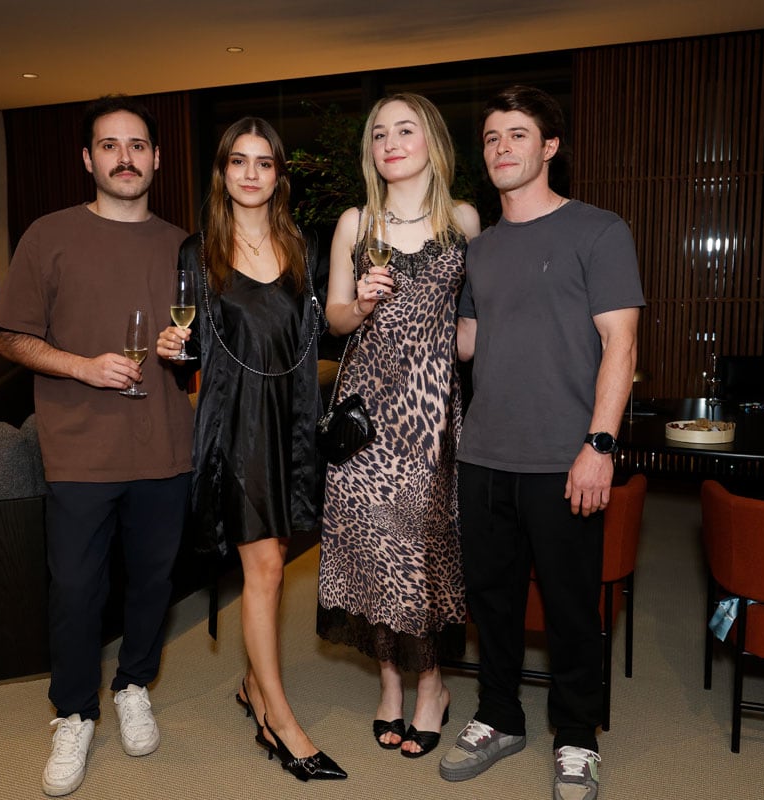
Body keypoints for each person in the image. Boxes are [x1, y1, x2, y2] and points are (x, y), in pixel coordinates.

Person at [439, 84, 643, 799]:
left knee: (568, 603)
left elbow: (621, 342)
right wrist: (407, 296)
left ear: (549, 146)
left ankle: (578, 735)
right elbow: (465, 343)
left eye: (517, 136)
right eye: (492, 138)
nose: (502, 149)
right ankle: (499, 715)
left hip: (565, 456)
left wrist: (600, 443)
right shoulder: (481, 250)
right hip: (483, 453)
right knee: (490, 600)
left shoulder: (599, 231)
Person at [0, 94, 193, 798]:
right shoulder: (48, 235)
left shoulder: (182, 244)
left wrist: (184, 349)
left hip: (166, 443)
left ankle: (134, 683)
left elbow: (204, 348)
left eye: (137, 146)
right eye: (110, 146)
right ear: (88, 159)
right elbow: (12, 335)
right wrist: (82, 366)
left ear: (157, 158)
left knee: (154, 582)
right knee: (77, 591)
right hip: (79, 448)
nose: (125, 158)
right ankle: (73, 713)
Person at [155, 117, 346, 781]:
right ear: (223, 172)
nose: (251, 174)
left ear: (278, 175)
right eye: (239, 161)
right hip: (235, 425)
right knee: (264, 567)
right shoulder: (196, 251)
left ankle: (248, 682)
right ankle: (278, 720)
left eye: (264, 163)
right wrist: (175, 351)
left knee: (278, 556)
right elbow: (198, 350)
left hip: (292, 417)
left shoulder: (305, 248)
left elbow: (321, 332)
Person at [318, 93, 480, 759]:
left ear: (432, 142)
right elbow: (333, 319)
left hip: (431, 414)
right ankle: (390, 684)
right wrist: (358, 303)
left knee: (423, 554)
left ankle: (432, 687)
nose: (390, 141)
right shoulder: (356, 221)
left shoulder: (464, 219)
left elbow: (471, 326)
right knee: (365, 549)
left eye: (404, 129)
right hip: (363, 419)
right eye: (380, 133)